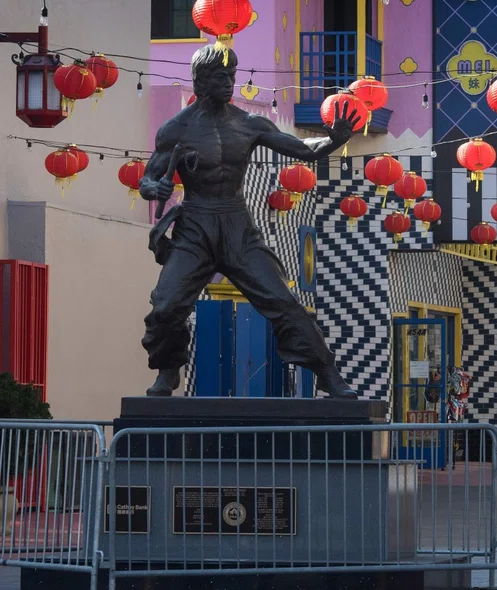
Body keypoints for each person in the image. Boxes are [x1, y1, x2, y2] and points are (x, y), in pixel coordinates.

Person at [137, 44, 361, 398]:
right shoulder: (175, 129)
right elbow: (147, 181)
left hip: (237, 224)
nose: (228, 83)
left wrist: (333, 141)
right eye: (219, 77)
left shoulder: (248, 124)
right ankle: (167, 372)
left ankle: (327, 373)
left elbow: (302, 149)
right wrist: (157, 185)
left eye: (231, 76)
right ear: (200, 81)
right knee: (166, 306)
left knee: (283, 301)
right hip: (195, 225)